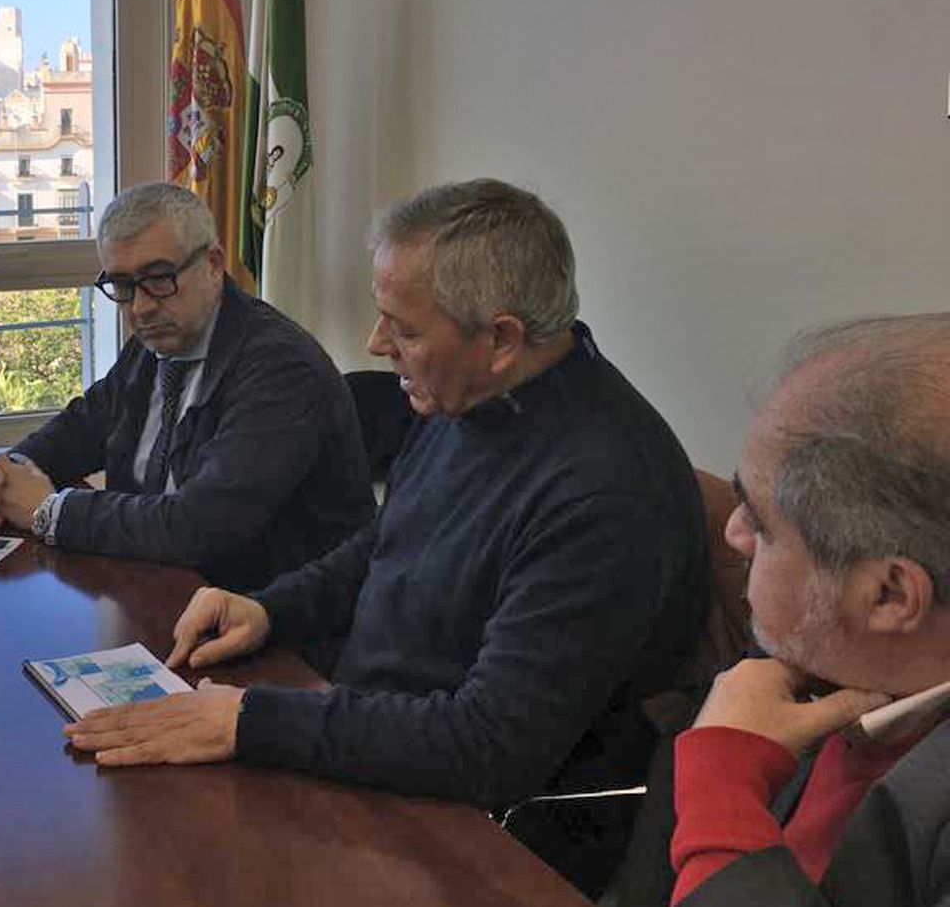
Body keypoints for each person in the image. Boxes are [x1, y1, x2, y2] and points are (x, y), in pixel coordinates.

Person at [63, 179, 707, 812]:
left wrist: (249, 720)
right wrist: (268, 611)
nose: (376, 345)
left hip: (486, 826)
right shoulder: (469, 398)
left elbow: (490, 745)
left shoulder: (604, 494)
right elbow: (386, 542)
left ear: (502, 340)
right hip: (371, 735)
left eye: (406, 329)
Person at [643, 314, 950, 906]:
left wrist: (723, 797)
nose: (733, 532)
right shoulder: (806, 652)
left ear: (889, 596)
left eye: (760, 521)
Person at [0, 182, 373, 592]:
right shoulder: (157, 340)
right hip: (156, 592)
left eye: (159, 278)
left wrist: (49, 511)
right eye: (123, 286)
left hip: (270, 624)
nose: (141, 307)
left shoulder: (281, 368)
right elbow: (83, 426)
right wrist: (9, 475)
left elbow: (200, 526)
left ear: (214, 264)